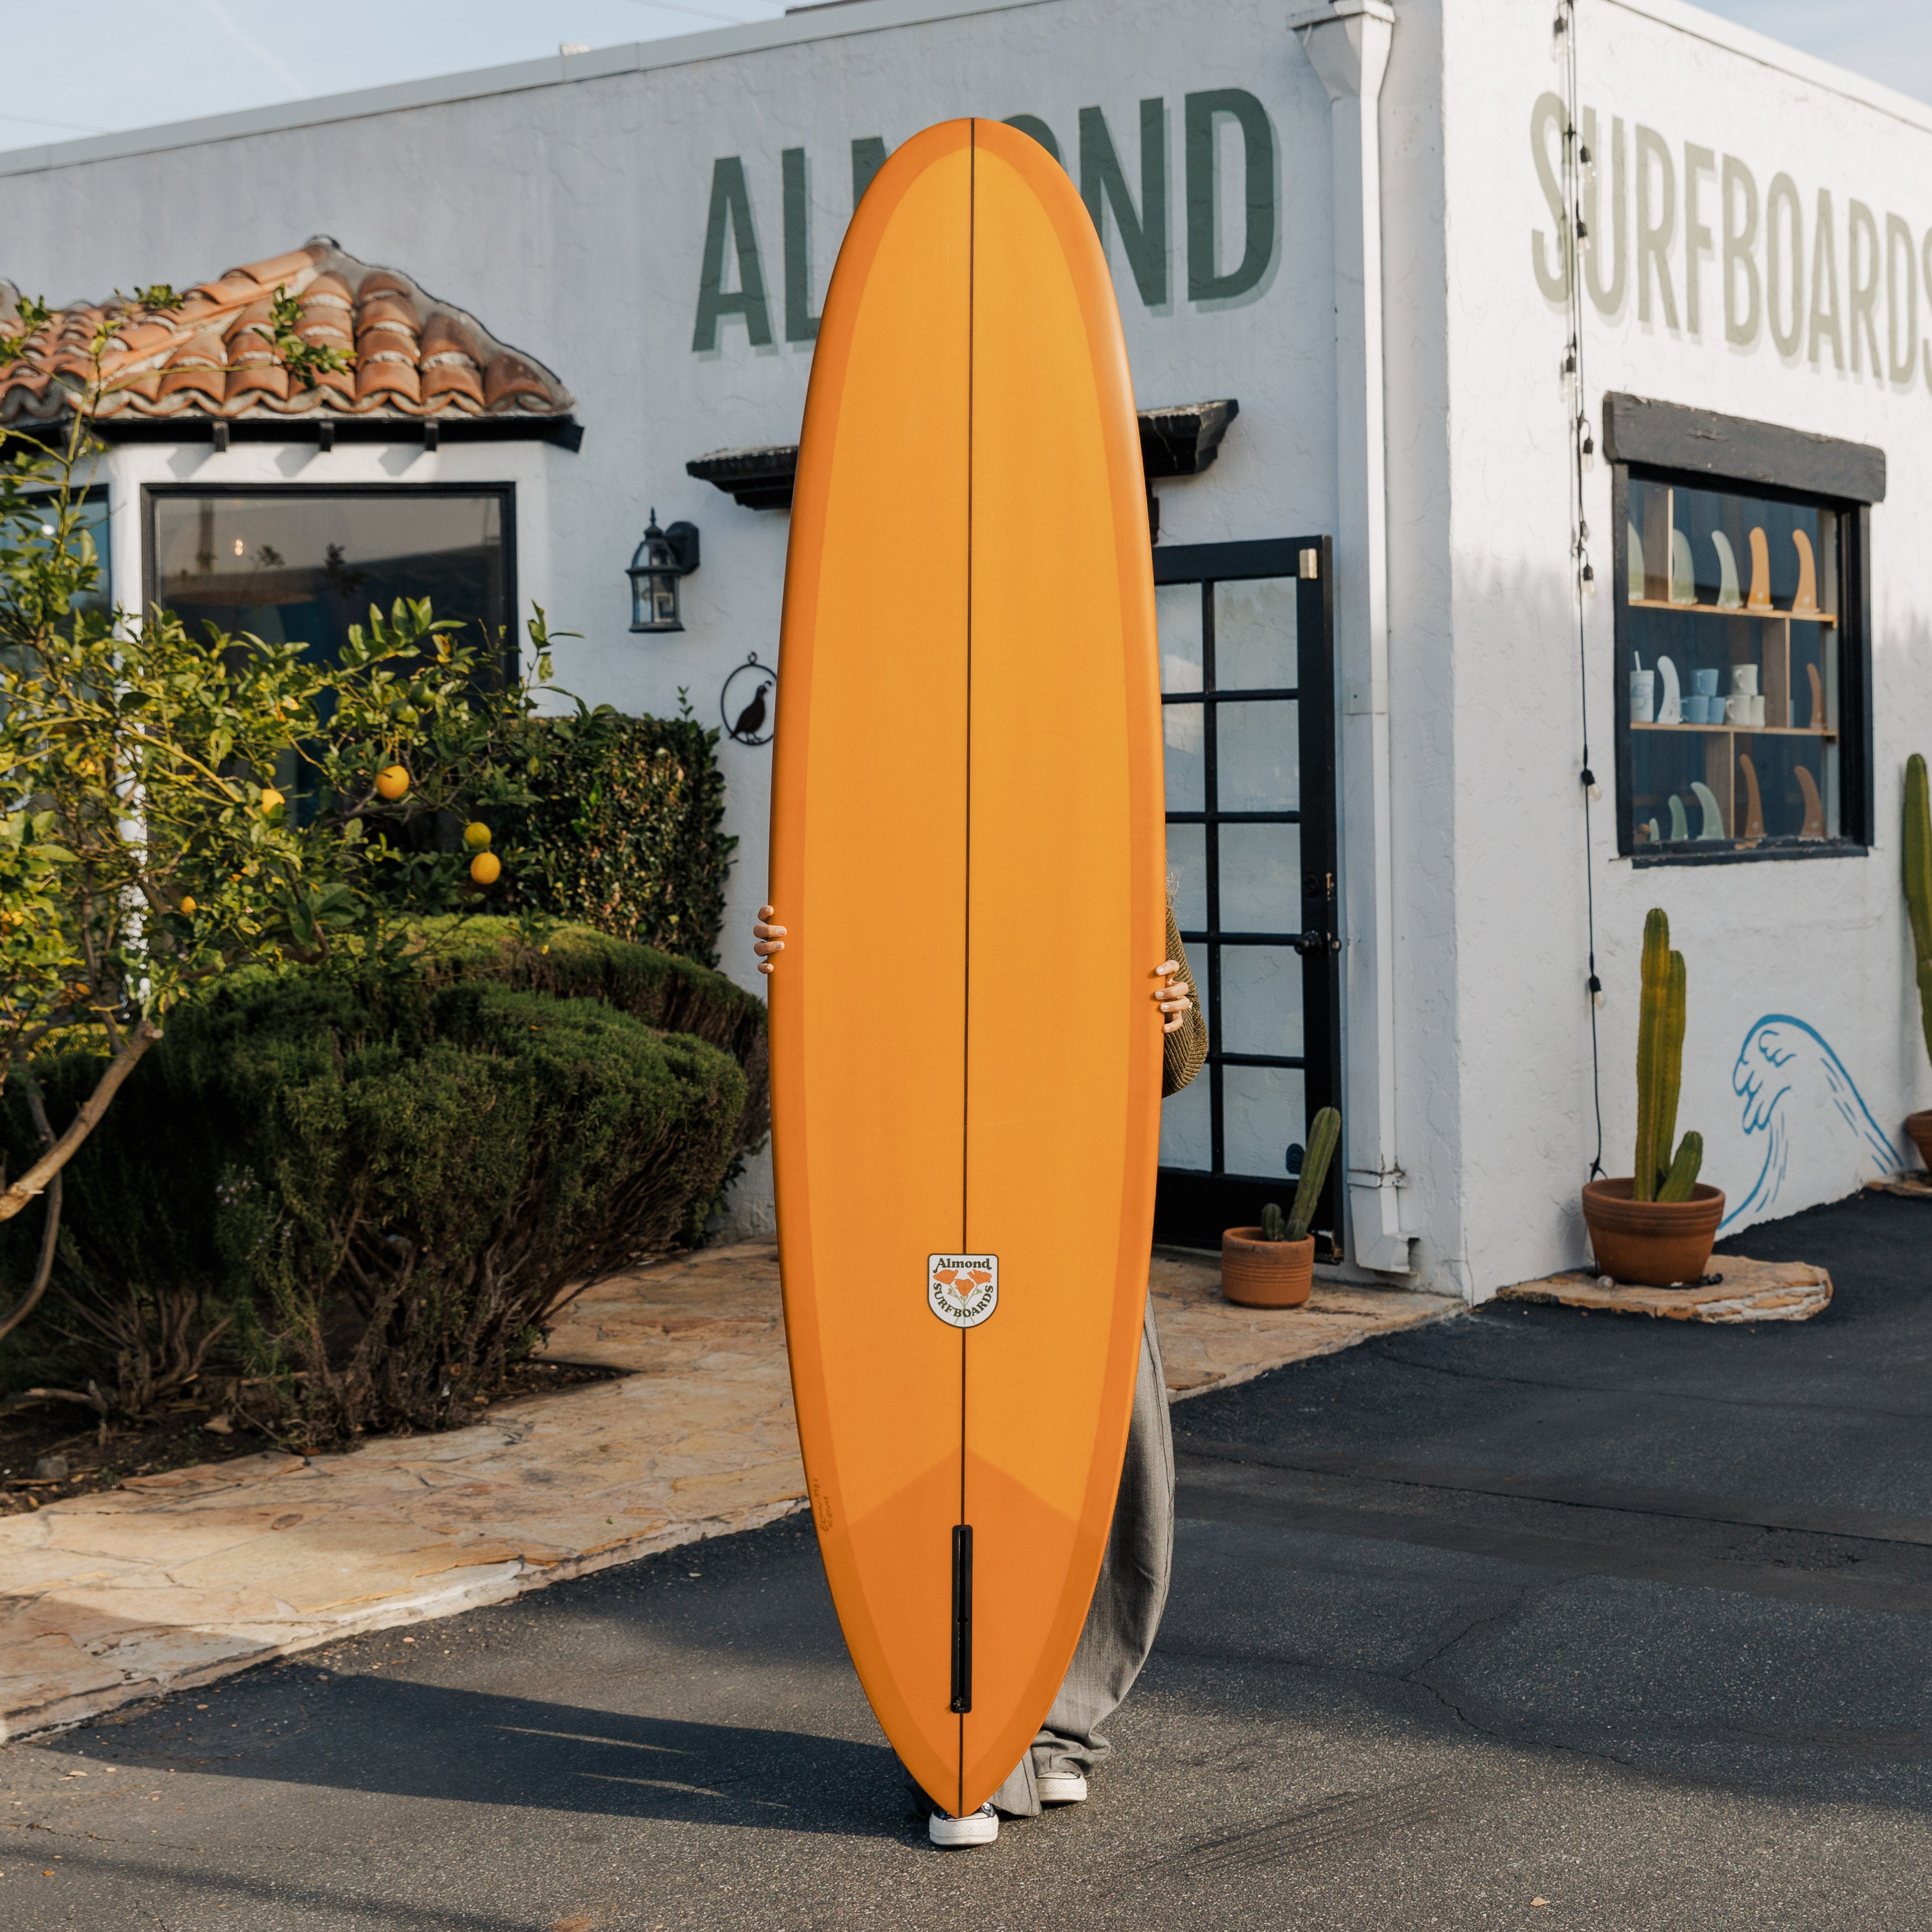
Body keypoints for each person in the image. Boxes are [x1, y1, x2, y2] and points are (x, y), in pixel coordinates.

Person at [754, 897, 1207, 1850]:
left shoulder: (1102, 853)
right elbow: (820, 1058)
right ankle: (959, 1753)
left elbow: (1175, 1063)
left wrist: (1173, 1018)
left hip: (1073, 1202)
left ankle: (1059, 1732)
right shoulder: (891, 846)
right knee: (949, 1469)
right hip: (927, 1204)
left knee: (1113, 1469)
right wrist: (792, 966)